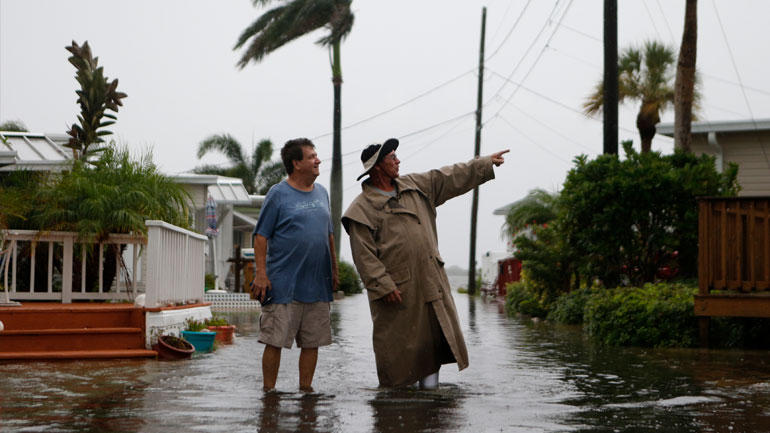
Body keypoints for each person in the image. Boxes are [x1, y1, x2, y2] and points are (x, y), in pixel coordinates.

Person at [342, 138, 508, 388]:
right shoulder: (361, 209)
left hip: (431, 283)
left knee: (431, 345)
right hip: (398, 292)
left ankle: (429, 399)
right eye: (392, 158)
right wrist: (383, 286)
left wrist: (483, 164)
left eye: (396, 156)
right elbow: (363, 255)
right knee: (399, 352)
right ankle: (396, 402)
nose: (398, 161)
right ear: (377, 167)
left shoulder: (416, 185)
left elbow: (449, 176)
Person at [252, 137, 338, 392]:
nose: (318, 160)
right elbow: (260, 236)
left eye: (316, 155)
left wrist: (334, 270)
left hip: (317, 284)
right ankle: (269, 393)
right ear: (296, 163)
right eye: (311, 157)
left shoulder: (322, 193)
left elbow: (329, 235)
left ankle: (306, 392)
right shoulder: (278, 194)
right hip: (283, 284)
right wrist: (261, 274)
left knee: (313, 342)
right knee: (274, 340)